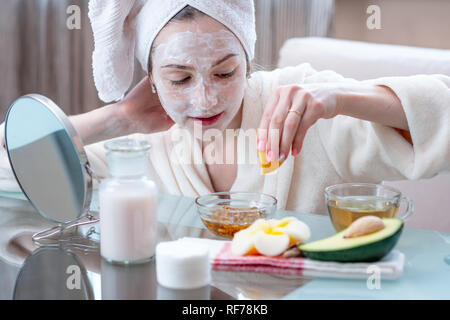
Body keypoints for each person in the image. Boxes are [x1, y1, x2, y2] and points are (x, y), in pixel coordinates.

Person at [0, 0, 449, 215]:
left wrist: (340, 99)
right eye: (178, 79)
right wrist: (115, 119)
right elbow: (10, 168)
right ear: (151, 78)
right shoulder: (141, 145)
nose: (205, 100)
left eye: (225, 73)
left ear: (249, 61)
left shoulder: (304, 108)